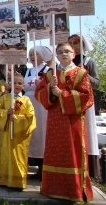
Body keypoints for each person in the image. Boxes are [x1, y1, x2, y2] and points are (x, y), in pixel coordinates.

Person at [35, 42, 93, 202]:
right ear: (57, 55)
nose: (64, 54)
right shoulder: (50, 74)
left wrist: (63, 94)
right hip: (55, 121)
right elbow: (38, 93)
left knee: (72, 152)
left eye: (67, 51)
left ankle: (73, 190)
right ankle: (52, 188)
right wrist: (49, 89)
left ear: (73, 54)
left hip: (72, 121)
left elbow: (87, 97)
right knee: (55, 151)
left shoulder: (81, 73)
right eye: (60, 52)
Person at [0, 74, 36, 191]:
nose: (17, 85)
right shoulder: (5, 98)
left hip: (20, 137)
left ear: (23, 86)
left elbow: (30, 117)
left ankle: (18, 182)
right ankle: (3, 180)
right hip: (6, 133)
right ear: (10, 85)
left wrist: (16, 119)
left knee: (19, 157)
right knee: (4, 155)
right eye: (14, 83)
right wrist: (6, 112)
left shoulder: (26, 100)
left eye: (20, 83)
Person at [68, 33, 100, 178]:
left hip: (85, 102)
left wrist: (84, 73)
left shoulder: (88, 61)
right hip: (68, 101)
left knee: (85, 132)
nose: (73, 45)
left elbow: (97, 83)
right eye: (71, 42)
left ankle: (87, 168)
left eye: (76, 42)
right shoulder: (66, 63)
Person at [25, 46, 53, 180]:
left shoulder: (48, 70)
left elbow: (53, 87)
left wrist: (42, 84)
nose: (32, 57)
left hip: (41, 105)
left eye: (35, 54)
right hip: (29, 104)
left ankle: (43, 168)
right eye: (30, 54)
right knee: (31, 134)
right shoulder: (27, 71)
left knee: (42, 134)